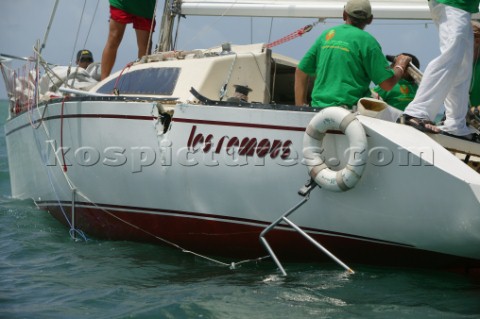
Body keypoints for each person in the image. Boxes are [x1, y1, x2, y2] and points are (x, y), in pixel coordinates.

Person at [295, 0, 411, 109]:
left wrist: (301, 106)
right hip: (349, 113)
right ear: (370, 19)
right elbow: (387, 84)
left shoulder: (327, 35)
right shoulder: (368, 42)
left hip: (318, 109)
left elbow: (301, 70)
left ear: (344, 14)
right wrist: (400, 65)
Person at [400, 0, 480, 140]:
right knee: (451, 57)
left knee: (461, 66)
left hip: (462, 5)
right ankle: (417, 112)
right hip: (453, 3)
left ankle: (455, 124)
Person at [100, 0, 156, 80]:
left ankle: (141, 82)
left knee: (145, 46)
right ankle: (103, 82)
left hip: (145, 5)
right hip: (122, 2)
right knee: (114, 38)